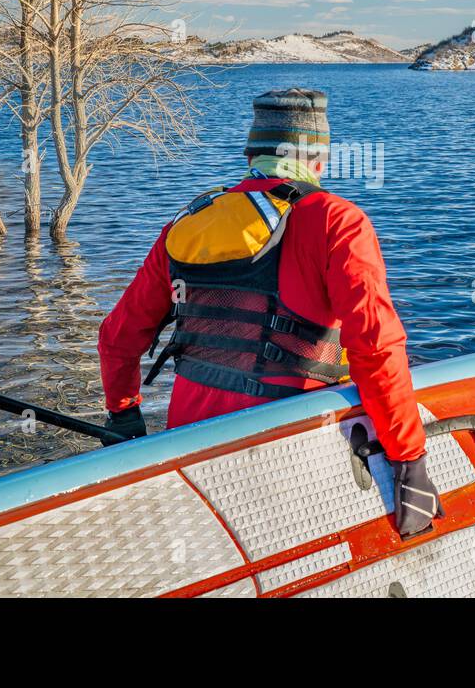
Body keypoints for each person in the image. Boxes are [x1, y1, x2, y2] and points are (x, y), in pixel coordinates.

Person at [97, 88, 441, 538]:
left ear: (251, 154)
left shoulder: (189, 221)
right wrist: (409, 458)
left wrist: (124, 416)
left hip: (189, 443)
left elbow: (118, 337)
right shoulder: (338, 220)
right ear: (319, 159)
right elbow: (376, 346)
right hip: (290, 448)